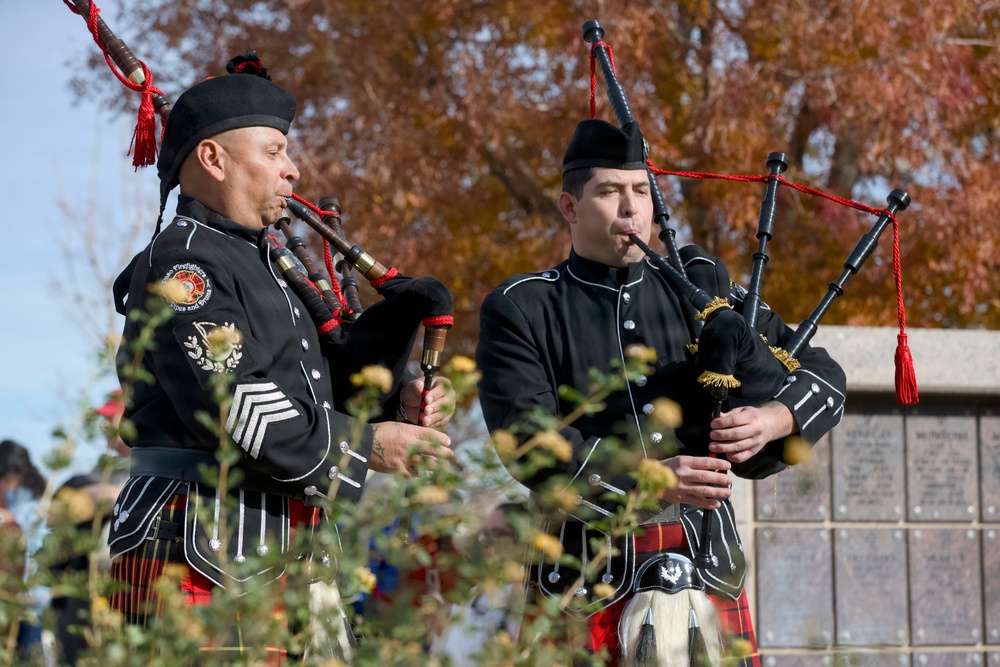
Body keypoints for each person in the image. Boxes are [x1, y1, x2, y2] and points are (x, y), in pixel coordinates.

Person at [106, 52, 455, 657]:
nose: (292, 170)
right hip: (198, 549)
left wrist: (395, 405)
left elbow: (308, 394)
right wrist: (368, 447)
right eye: (273, 151)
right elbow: (241, 407)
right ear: (213, 159)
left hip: (286, 545)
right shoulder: (182, 264)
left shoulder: (266, 264)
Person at [475, 119, 846, 666]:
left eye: (642, 191)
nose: (632, 209)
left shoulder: (703, 287)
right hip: (586, 581)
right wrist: (654, 479)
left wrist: (774, 419)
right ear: (570, 208)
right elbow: (529, 445)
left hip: (705, 568)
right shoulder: (523, 307)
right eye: (609, 191)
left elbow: (820, 372)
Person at [46, 390, 131, 664]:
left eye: (111, 417)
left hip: (125, 578)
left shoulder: (146, 465)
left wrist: (101, 495)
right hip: (88, 579)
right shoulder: (101, 469)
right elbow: (55, 514)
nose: (104, 426)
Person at [0, 439, 49, 661]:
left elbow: (32, 551)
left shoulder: (34, 505)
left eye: (6, 477)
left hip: (28, 605)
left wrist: (9, 523)